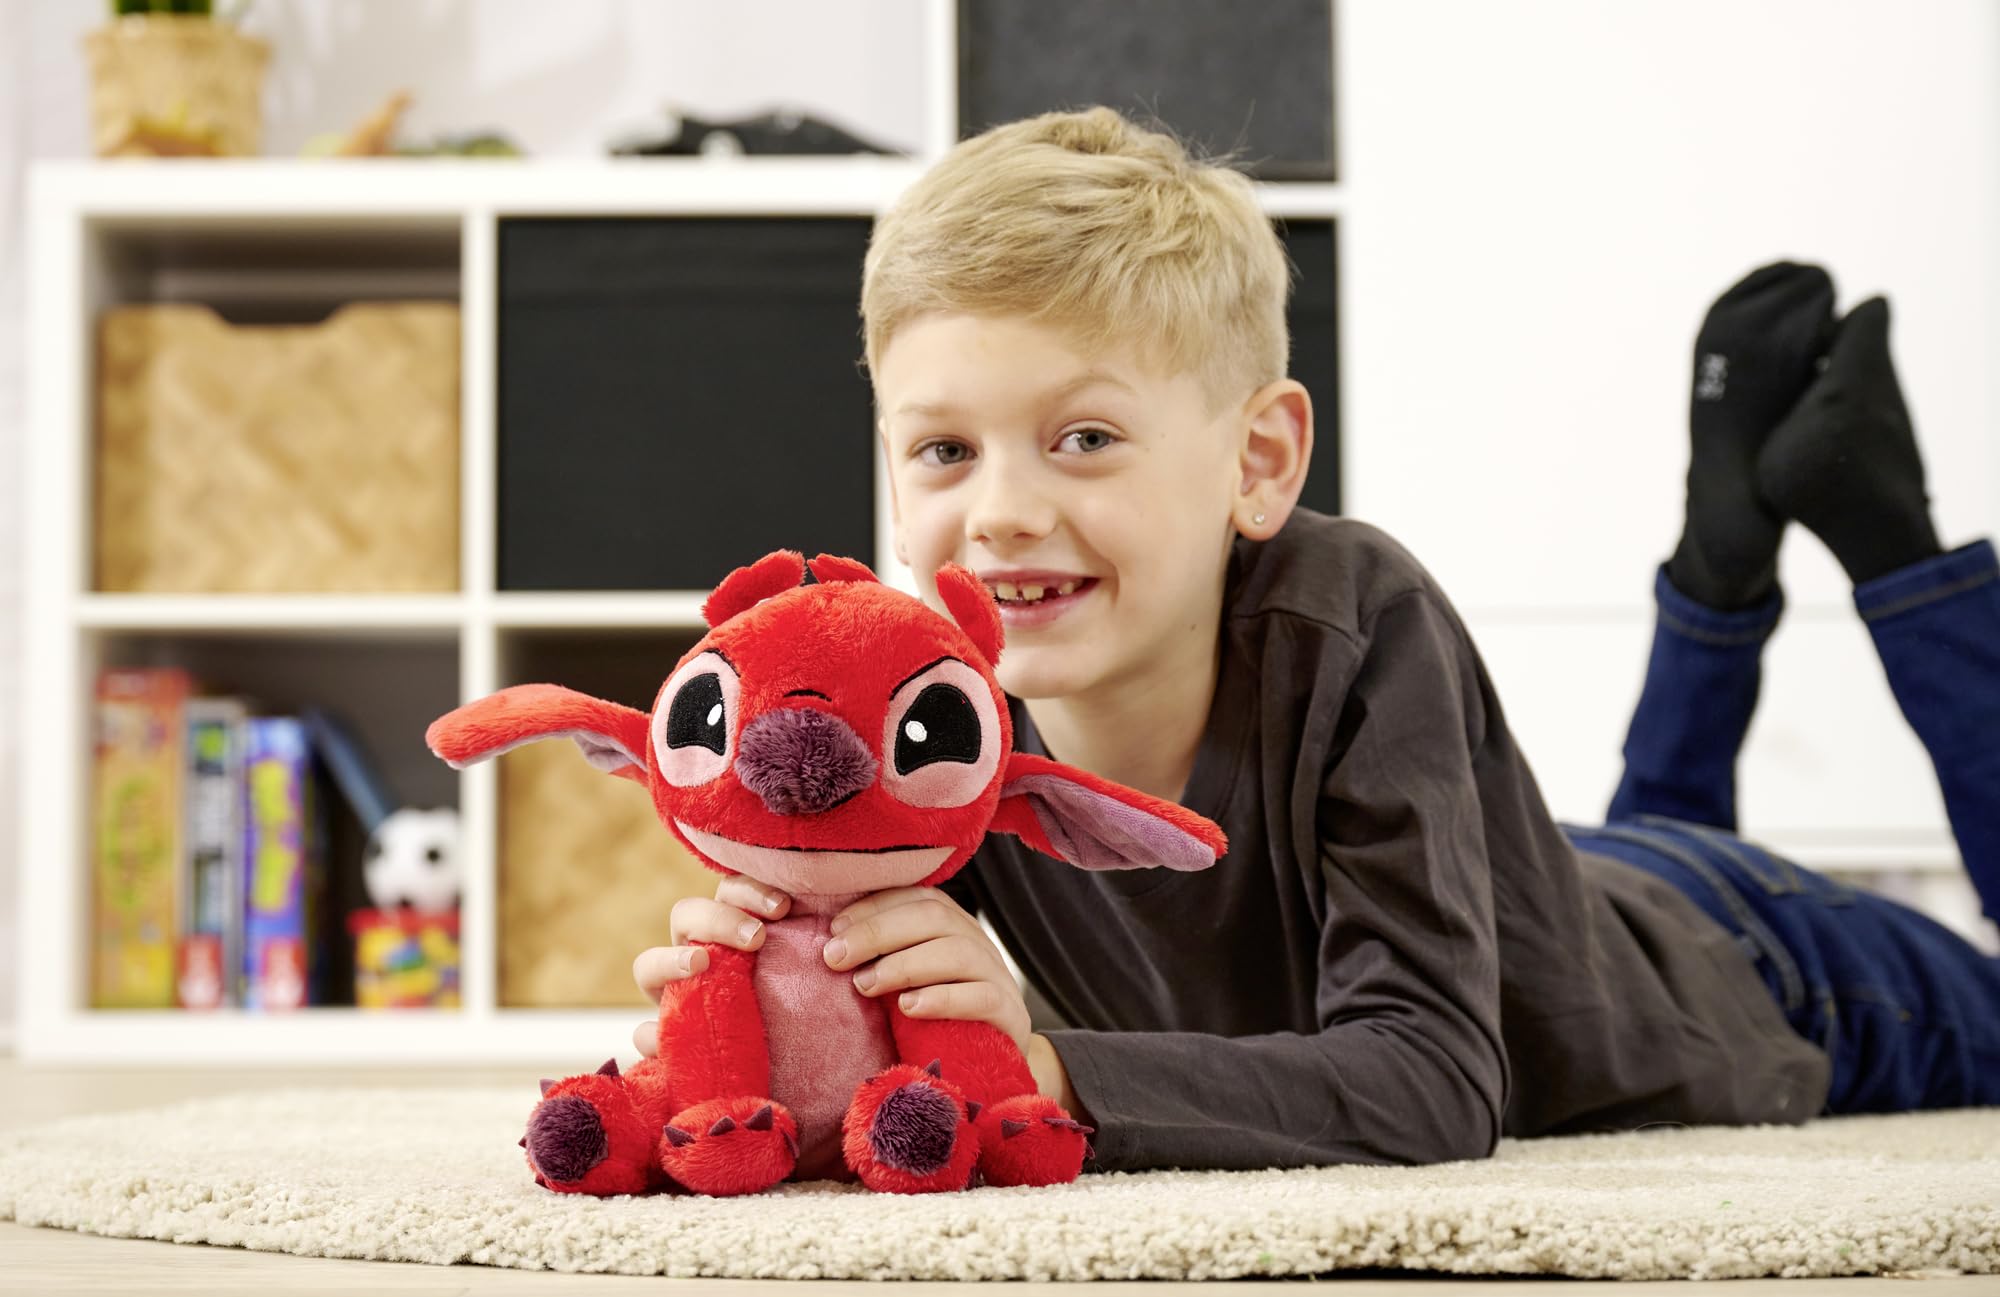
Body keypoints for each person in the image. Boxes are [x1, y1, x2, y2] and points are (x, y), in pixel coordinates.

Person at [631, 107, 2000, 1171]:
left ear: (1259, 461)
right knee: (1578, 890)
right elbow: (876, 1047)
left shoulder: (1355, 616)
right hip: (1541, 886)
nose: (1000, 513)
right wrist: (766, 1008)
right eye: (944, 450)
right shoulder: (929, 712)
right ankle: (1720, 560)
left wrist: (1047, 1063)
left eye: (1085, 437)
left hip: (1753, 960)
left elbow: (1433, 1084)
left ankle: (1892, 543)